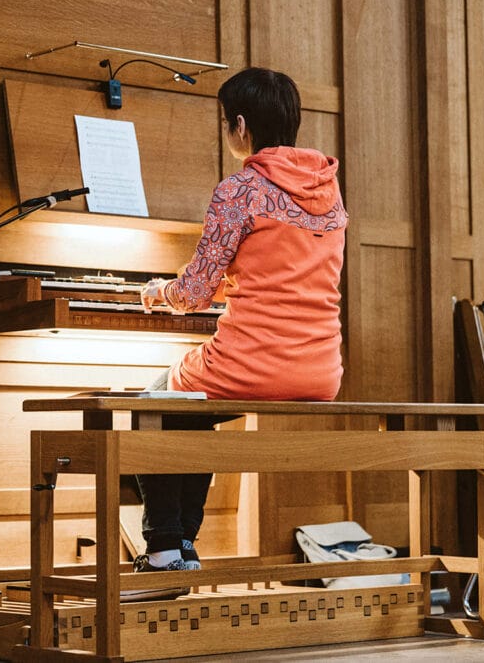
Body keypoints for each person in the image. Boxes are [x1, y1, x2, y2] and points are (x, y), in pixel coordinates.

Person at [132, 67, 347, 590]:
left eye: (227, 123)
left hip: (254, 365)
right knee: (188, 415)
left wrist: (157, 294)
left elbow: (193, 292)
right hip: (320, 369)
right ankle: (183, 544)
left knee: (150, 402)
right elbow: (286, 275)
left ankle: (164, 547)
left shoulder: (239, 189)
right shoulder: (328, 190)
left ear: (242, 126)